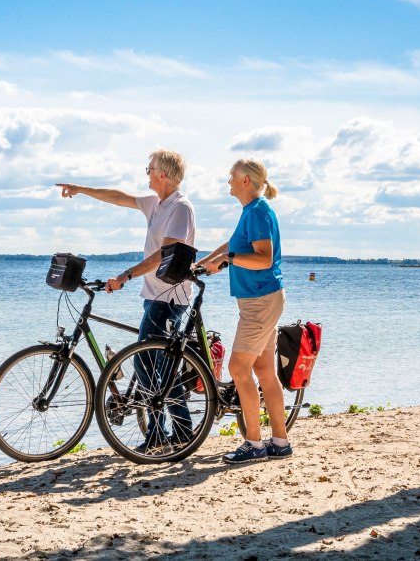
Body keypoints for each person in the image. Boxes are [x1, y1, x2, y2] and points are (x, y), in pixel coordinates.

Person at [56, 149, 196, 450]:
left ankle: (160, 436)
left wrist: (125, 276)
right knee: (158, 364)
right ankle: (182, 431)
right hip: (153, 295)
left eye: (150, 168)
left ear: (162, 174)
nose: (146, 172)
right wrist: (82, 189)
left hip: (171, 297)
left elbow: (164, 255)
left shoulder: (180, 208)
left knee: (145, 361)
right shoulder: (156, 203)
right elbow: (119, 197)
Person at [199, 158, 288, 464]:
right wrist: (207, 260)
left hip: (260, 301)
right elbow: (234, 244)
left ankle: (254, 443)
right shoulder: (251, 211)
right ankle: (280, 442)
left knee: (238, 369)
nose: (228, 182)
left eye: (231, 177)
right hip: (261, 298)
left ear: (245, 181)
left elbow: (263, 258)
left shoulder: (259, 211)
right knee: (263, 370)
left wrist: (228, 258)